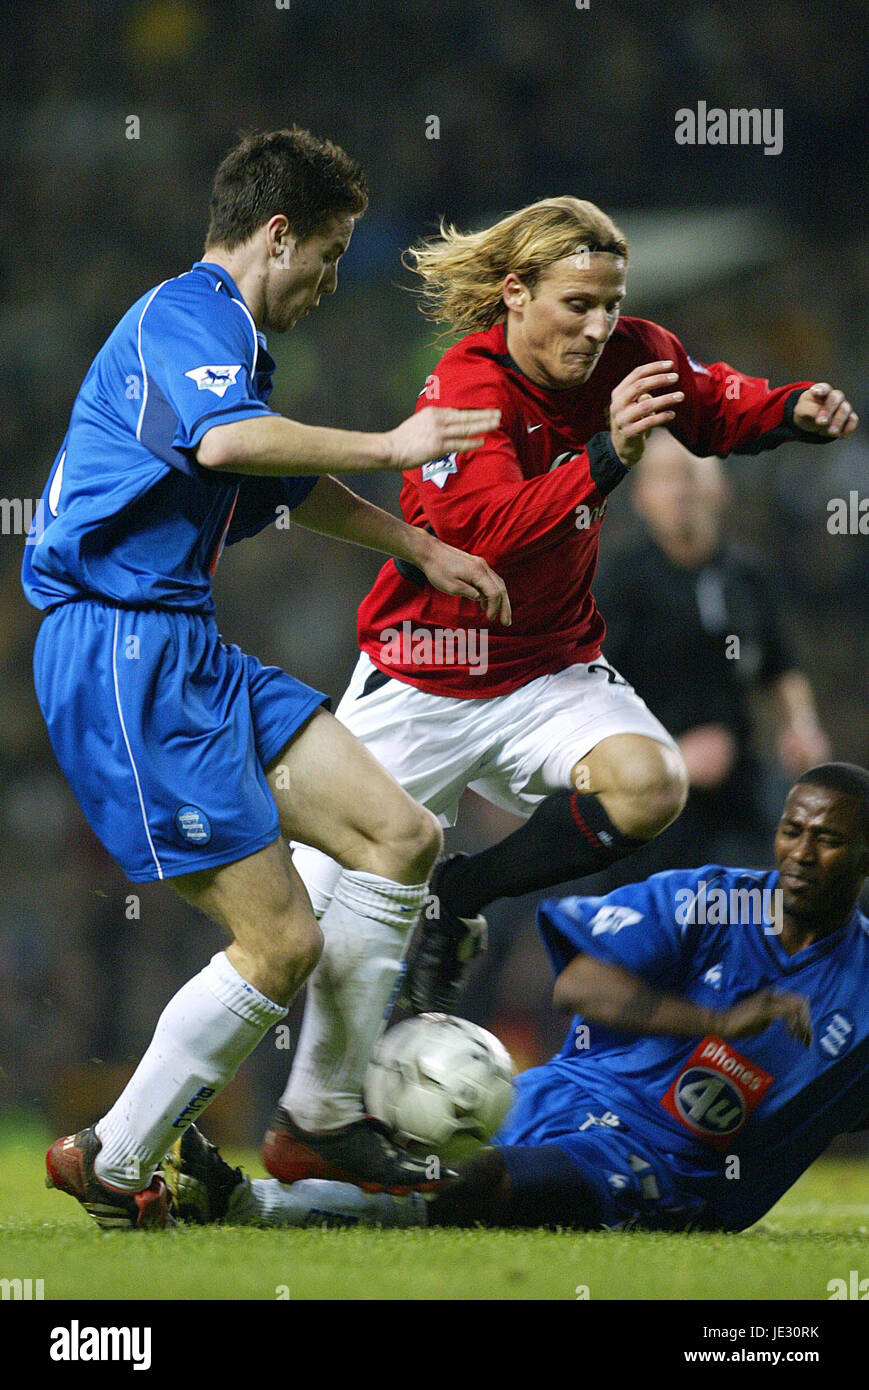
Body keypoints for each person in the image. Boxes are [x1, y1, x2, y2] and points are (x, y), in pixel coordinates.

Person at [267, 195, 858, 1184]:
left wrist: (788, 409)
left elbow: (712, 403)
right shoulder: (463, 387)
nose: (597, 324)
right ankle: (241, 1127)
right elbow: (479, 538)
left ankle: (459, 893)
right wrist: (604, 456)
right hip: (419, 678)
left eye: (610, 303)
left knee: (648, 782)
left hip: (544, 670)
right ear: (515, 293)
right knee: (292, 932)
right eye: (577, 303)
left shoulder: (633, 350)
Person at [22, 127, 512, 1228]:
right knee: (282, 939)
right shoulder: (182, 317)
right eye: (330, 254)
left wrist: (419, 547)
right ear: (275, 233)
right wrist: (397, 441)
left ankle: (321, 1116)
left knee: (401, 835)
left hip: (183, 643)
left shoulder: (232, 354)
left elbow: (279, 487)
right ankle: (113, 1159)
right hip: (117, 651)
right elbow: (231, 451)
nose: (333, 282)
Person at [167, 764, 869, 1234]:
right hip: (560, 1092)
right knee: (403, 1138)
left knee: (478, 1182)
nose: (800, 853)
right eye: (791, 829)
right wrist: (716, 1022)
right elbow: (580, 985)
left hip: (659, 1166)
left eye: (828, 839)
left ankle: (244, 1204)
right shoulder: (712, 900)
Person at [555, 427, 832, 886]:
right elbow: (577, 695)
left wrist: (799, 725)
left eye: (690, 474)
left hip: (737, 798)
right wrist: (675, 758)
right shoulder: (614, 586)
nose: (680, 489)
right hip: (642, 808)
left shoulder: (749, 578)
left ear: (720, 488)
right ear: (642, 497)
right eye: (664, 477)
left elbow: (781, 669)